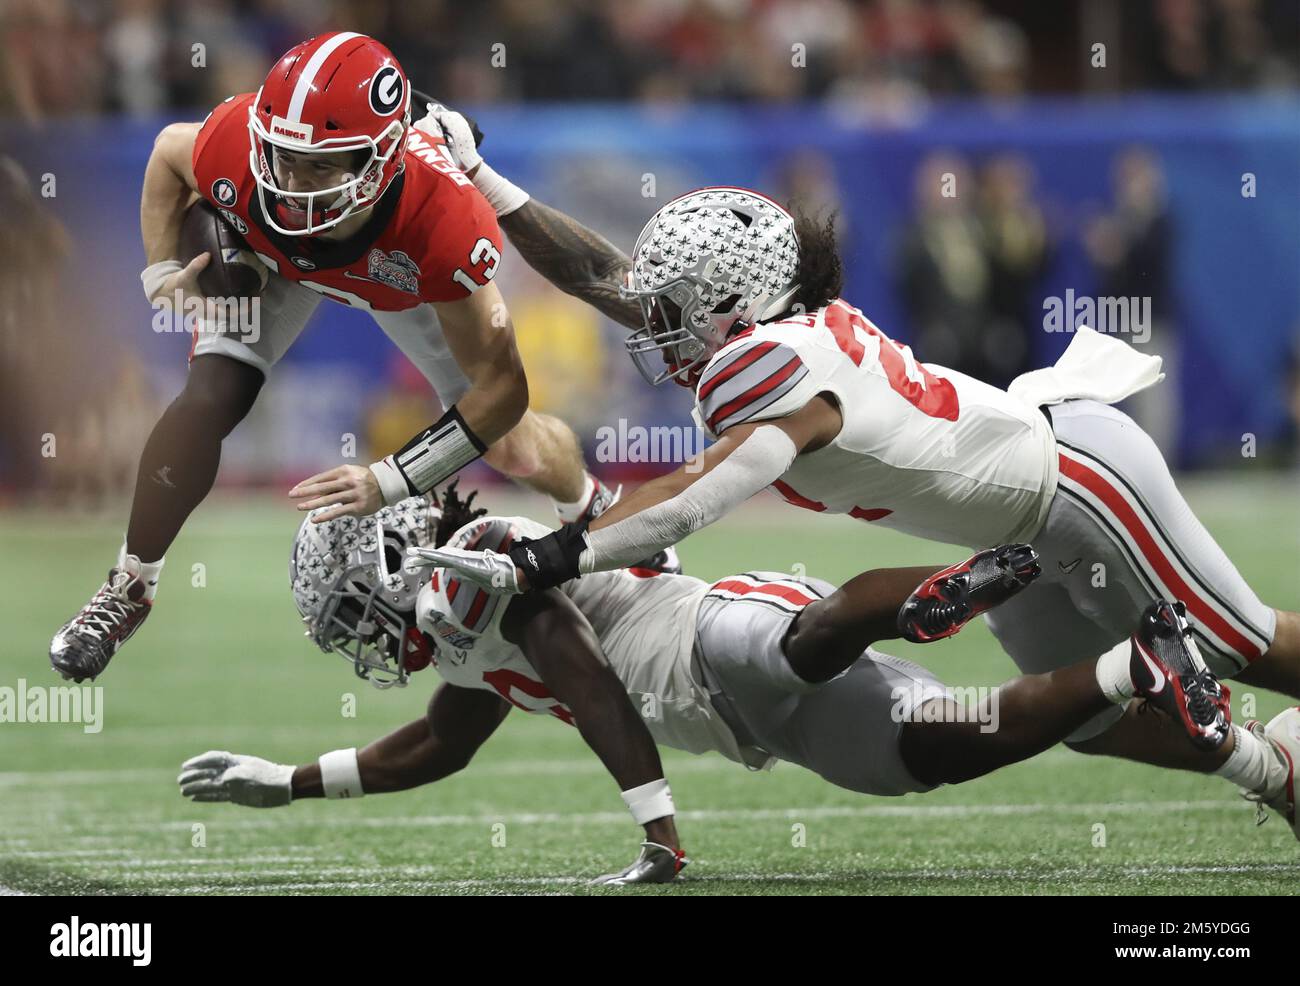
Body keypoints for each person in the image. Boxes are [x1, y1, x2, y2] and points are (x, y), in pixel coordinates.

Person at [410, 113, 1299, 829]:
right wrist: (487, 184)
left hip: (1075, 479)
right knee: (1095, 722)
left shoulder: (769, 365)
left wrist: (551, 557)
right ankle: (1280, 771)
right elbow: (604, 275)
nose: (656, 324)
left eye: (678, 308)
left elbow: (694, 496)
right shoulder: (779, 334)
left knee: (1241, 643)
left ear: (732, 304)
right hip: (1015, 519)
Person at [178, 488, 1296, 889]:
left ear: (385, 574)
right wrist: (287, 782)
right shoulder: (454, 632)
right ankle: (1134, 662)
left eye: (352, 617)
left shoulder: (471, 562)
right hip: (732, 718)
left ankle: (956, 582)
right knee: (939, 749)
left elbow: (583, 675)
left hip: (695, 639)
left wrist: (658, 831)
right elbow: (436, 744)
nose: (362, 642)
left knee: (792, 644)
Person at [48, 33, 653, 684]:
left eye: (320, 166)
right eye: (281, 157)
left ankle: (589, 504)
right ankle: (129, 586)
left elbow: (500, 390)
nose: (292, 183)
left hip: (393, 279)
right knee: (206, 402)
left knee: (515, 448)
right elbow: (170, 154)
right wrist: (162, 269)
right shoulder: (240, 152)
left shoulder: (441, 213)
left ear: (384, 159)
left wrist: (392, 479)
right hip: (270, 263)